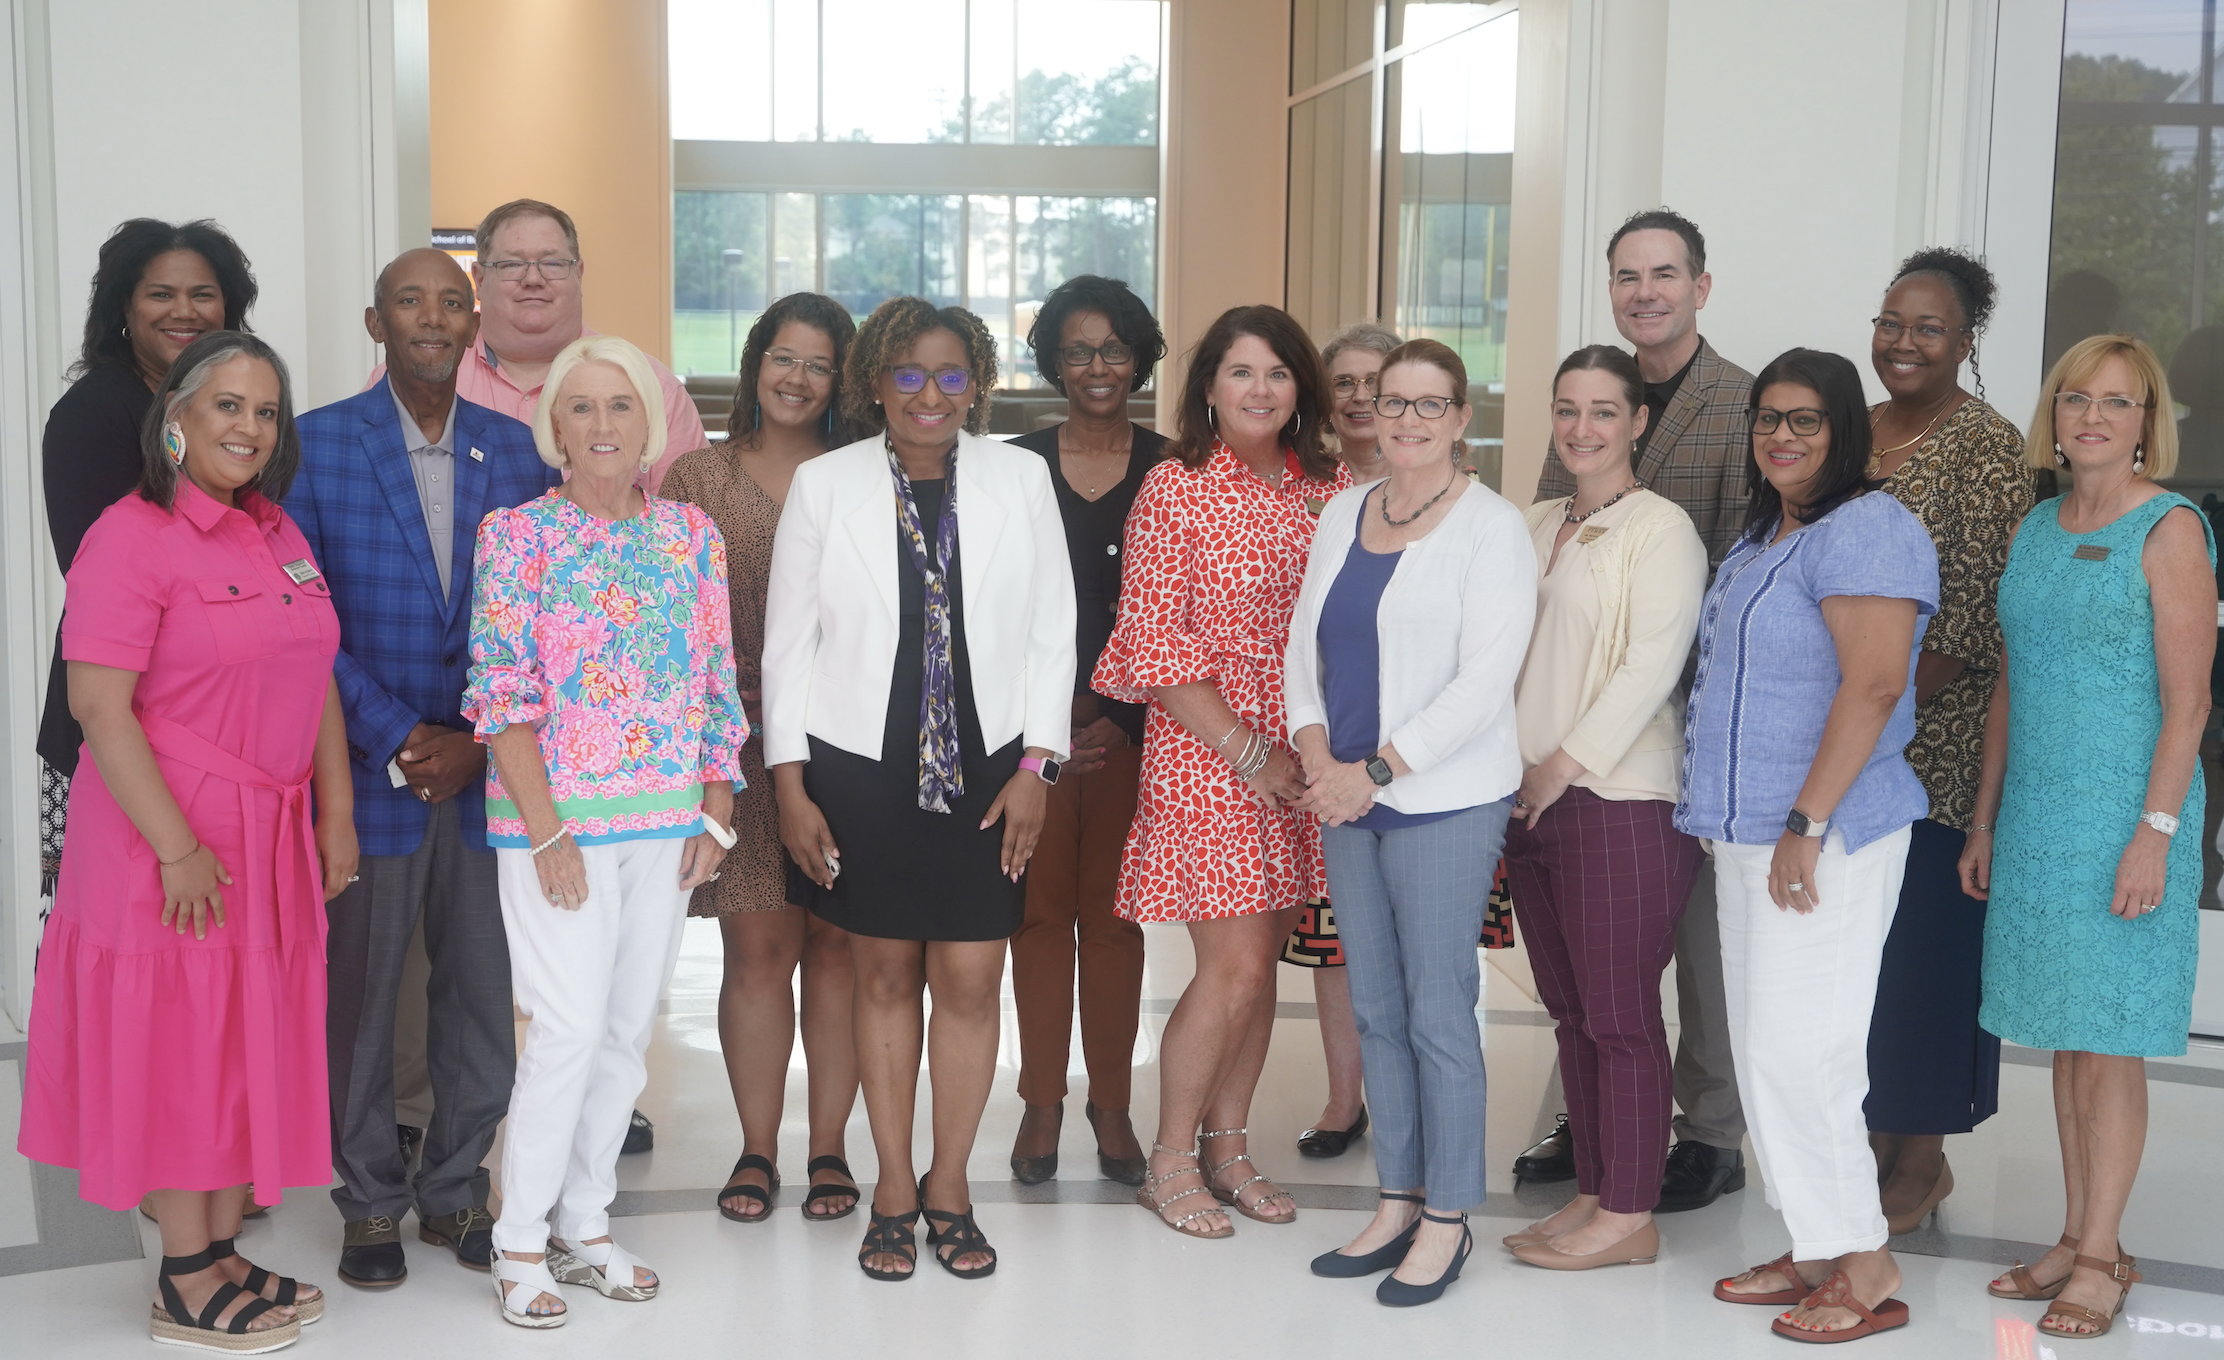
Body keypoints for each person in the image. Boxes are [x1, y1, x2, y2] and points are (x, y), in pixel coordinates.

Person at [19, 332, 351, 1352]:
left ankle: (214, 1248)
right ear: (176, 418)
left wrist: (334, 812)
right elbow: (97, 707)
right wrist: (175, 848)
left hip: (270, 829)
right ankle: (182, 1280)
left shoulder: (276, 530)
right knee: (179, 1048)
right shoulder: (129, 535)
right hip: (167, 838)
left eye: (265, 411)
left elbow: (317, 674)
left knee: (235, 1043)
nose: (250, 427)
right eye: (227, 407)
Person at [762, 297, 1073, 1281]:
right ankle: (893, 1185)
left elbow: (1051, 631)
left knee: (974, 980)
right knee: (884, 974)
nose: (928, 395)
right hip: (861, 761)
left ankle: (951, 1184)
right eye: (906, 375)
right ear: (874, 385)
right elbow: (788, 646)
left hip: (991, 766)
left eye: (948, 376)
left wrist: (1038, 767)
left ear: (974, 382)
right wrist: (790, 788)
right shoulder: (825, 484)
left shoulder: (1021, 478)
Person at [287, 248, 559, 1286]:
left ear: (474, 323)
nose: (433, 318)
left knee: (483, 997)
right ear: (375, 322)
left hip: (490, 771)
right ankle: (367, 1203)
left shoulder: (518, 451)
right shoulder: (313, 446)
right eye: (412, 301)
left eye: (453, 302)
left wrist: (478, 738)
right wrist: (401, 734)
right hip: (371, 770)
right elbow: (306, 622)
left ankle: (452, 1191)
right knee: (359, 1002)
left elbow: (542, 622)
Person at [462, 335, 745, 1327]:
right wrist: (547, 834)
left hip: (665, 819)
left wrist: (719, 805)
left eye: (618, 406)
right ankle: (519, 1240)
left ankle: (587, 1225)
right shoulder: (517, 536)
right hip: (556, 829)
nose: (601, 426)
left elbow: (717, 681)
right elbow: (499, 695)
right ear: (554, 429)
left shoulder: (689, 536)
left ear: (651, 422)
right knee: (568, 1030)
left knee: (625, 1034)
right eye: (578, 408)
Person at [1962, 334, 2215, 1340]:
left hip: (2128, 816)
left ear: (2145, 419)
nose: (2092, 417)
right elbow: (2012, 685)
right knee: (2066, 1038)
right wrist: (1983, 818)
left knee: (2109, 1042)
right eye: (2075, 399)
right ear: (2055, 416)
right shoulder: (2036, 527)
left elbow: (2190, 705)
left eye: (2115, 402)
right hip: (2037, 817)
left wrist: (2154, 834)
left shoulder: (2171, 530)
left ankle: (2104, 1255)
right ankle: (2073, 1233)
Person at [1687, 349, 1938, 1343]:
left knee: (1808, 1054)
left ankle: (1864, 1260)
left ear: (1844, 430)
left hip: (1824, 836)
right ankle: (1813, 1243)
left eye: (1806, 420)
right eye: (1767, 419)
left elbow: (1872, 686)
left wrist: (1807, 821)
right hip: (1746, 833)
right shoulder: (1767, 531)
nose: (1781, 437)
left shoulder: (1869, 528)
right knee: (1762, 1053)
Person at [1287, 339, 1533, 1306]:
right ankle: (1396, 1198)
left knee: (1438, 1014)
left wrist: (1379, 770)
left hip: (1440, 799)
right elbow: (1305, 641)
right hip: (1342, 794)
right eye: (1394, 403)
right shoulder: (1345, 509)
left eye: (1431, 406)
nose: (1408, 421)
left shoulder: (1491, 527)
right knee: (1376, 1009)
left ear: (1462, 419)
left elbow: (1485, 679)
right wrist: (1315, 753)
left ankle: (1449, 1217)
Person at [1095, 304, 1350, 1239]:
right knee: (1233, 968)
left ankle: (1230, 1148)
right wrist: (1250, 753)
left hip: (1307, 751)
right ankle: (1170, 1159)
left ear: (1301, 392)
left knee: (1266, 966)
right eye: (1240, 372)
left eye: (1277, 374)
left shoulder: (1326, 486)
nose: (1259, 390)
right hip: (1213, 751)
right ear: (1208, 387)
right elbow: (1154, 647)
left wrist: (1305, 756)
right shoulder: (1175, 487)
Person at [1527, 208, 1756, 1212]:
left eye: (1665, 273)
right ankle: (1594, 1126)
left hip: (1699, 713)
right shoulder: (1592, 392)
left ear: (1700, 286)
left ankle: (1706, 1134)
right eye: (1628, 275)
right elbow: (1550, 541)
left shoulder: (1745, 405)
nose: (1646, 291)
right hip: (1579, 715)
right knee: (1594, 963)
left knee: (1696, 948)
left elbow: (1744, 568)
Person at [1500, 345, 1707, 1270]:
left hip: (1617, 799)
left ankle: (1631, 1213)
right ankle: (1593, 1187)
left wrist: (1560, 767)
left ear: (1639, 423)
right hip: (1525, 803)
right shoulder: (1533, 519)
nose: (1583, 428)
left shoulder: (1662, 530)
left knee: (1620, 1015)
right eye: (1568, 410)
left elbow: (1650, 669)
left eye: (1604, 412)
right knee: (1571, 1012)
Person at [661, 292, 863, 1224]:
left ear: (842, 380)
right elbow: (664, 626)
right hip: (733, 743)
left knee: (840, 953)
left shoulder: (869, 473)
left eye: (819, 364)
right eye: (783, 357)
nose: (797, 378)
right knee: (756, 948)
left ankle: (828, 1152)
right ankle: (755, 1149)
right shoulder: (696, 478)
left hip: (854, 739)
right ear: (753, 364)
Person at [1858, 248, 2030, 1234]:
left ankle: (1917, 1162)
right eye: (1889, 321)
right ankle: (1878, 1140)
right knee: (1867, 961)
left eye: (1928, 327)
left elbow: (1969, 619)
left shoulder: (1986, 447)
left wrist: (1872, 721)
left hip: (1933, 751)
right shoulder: (1857, 429)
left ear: (1965, 343)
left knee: (1924, 958)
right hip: (1845, 737)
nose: (1903, 342)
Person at [37, 218, 257, 920]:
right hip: (117, 723)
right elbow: (105, 588)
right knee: (115, 948)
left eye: (204, 294)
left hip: (220, 730)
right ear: (125, 311)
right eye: (161, 293)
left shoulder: (235, 413)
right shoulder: (93, 414)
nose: (185, 311)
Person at [1002, 275, 1168, 1187]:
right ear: (1052, 362)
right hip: (1033, 739)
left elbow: (1187, 611)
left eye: (1113, 349)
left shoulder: (1178, 468)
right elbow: (993, 608)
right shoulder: (1012, 465)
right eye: (1077, 350)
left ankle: (1111, 1105)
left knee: (1113, 928)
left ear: (1139, 357)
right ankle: (1039, 1103)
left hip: (1138, 734)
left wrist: (1110, 711)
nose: (1097, 366)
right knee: (1035, 921)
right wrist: (1055, 715)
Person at [369, 199, 706, 496]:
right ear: (479, 280)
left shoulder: (651, 387)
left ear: (580, 274)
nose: (533, 279)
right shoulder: (406, 379)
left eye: (553, 263)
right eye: (512, 264)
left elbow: (684, 534)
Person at [1282, 318, 1400, 1162]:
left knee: (1417, 936)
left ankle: (1413, 1100)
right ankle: (1343, 1098)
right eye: (1347, 384)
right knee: (1336, 935)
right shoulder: (1300, 491)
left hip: (1423, 749)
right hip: (1326, 742)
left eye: (1379, 383)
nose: (1362, 399)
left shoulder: (1450, 489)